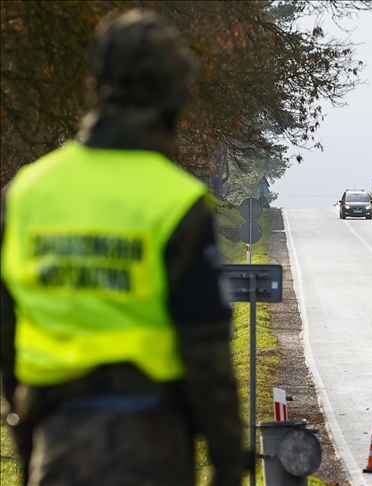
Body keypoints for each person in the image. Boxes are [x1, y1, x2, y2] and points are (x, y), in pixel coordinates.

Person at [0, 10, 245, 486]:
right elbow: (207, 355)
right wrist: (227, 464)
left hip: (57, 443)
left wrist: (27, 436)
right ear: (174, 95)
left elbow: (4, 328)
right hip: (153, 447)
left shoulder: (26, 193)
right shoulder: (177, 203)